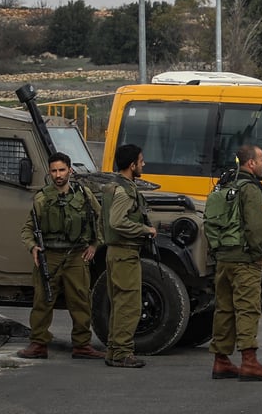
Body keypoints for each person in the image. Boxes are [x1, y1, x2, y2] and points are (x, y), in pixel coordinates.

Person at [17, 152, 104, 360]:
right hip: (50, 255)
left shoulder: (84, 194)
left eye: (62, 170)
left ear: (70, 170)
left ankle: (82, 345)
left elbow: (100, 220)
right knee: (43, 300)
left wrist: (94, 244)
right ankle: (38, 344)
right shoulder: (42, 198)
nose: (58, 175)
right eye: (54, 171)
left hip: (76, 256)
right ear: (49, 172)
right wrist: (32, 247)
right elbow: (27, 229)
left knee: (81, 300)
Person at [209, 144, 262, 381]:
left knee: (224, 309)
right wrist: (256, 254)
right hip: (244, 259)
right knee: (248, 308)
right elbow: (256, 227)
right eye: (261, 160)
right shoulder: (251, 189)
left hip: (224, 257)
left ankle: (221, 360)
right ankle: (249, 362)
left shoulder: (227, 184)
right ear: (251, 163)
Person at [101, 143, 157, 368]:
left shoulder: (112, 187)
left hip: (116, 253)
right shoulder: (123, 191)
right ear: (132, 165)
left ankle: (114, 351)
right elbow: (117, 221)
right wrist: (146, 230)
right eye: (140, 161)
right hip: (124, 253)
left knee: (119, 303)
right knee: (129, 305)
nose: (143, 164)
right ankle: (122, 352)